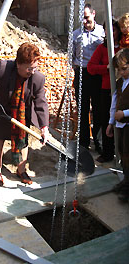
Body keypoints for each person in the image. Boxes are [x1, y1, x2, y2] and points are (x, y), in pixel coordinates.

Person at [0, 42, 49, 186]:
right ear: (18, 64)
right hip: (0, 111)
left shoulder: (38, 78)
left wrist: (44, 127)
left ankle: (21, 170)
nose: (32, 71)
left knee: (22, 140)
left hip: (22, 113)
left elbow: (41, 103)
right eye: (29, 68)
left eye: (35, 67)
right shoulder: (3, 67)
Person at [87, 19, 122, 163]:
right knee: (105, 119)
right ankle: (107, 152)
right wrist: (106, 68)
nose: (111, 33)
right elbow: (90, 67)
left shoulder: (124, 47)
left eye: (113, 30)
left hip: (123, 89)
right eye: (108, 30)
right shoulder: (102, 48)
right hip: (106, 89)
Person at [73, 3, 105, 152]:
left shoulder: (102, 32)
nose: (85, 22)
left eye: (86, 18)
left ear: (93, 14)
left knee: (99, 108)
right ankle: (84, 143)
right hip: (82, 73)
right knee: (83, 109)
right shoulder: (76, 34)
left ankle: (99, 142)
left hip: (98, 75)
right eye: (82, 19)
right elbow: (70, 56)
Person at [106, 48, 129, 203]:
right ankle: (126, 180)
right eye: (119, 70)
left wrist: (125, 114)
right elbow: (114, 103)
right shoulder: (120, 83)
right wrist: (111, 122)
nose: (122, 72)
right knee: (123, 152)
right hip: (121, 125)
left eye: (124, 69)